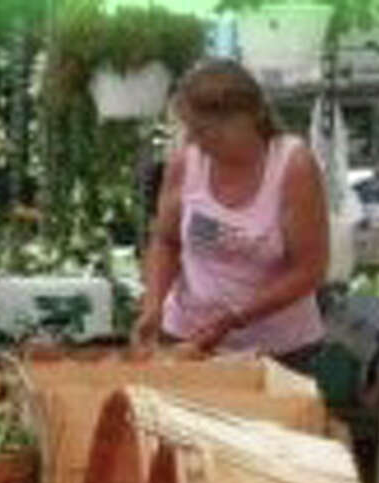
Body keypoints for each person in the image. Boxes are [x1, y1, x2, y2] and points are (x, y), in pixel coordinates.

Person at [131, 59, 328, 374]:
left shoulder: (292, 165)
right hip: (186, 335)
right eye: (190, 130)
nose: (196, 141)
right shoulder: (187, 160)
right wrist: (153, 304)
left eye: (206, 132)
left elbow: (309, 269)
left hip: (278, 350)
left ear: (248, 118)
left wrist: (234, 318)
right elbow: (166, 241)